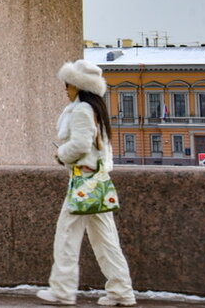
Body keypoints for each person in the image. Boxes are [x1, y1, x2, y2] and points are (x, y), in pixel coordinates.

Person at [38, 60, 136, 306]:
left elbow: (81, 145)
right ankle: (121, 291)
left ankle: (62, 290)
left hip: (84, 181)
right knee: (106, 240)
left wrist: (62, 154)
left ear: (79, 85)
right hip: (98, 182)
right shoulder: (96, 109)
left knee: (67, 236)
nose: (65, 88)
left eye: (68, 83)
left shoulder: (81, 109)